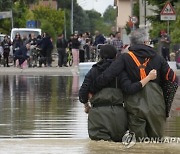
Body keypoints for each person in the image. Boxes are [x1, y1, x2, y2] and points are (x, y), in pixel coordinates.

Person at [93, 28, 178, 140]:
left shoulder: (125, 58)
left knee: (138, 144)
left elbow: (106, 76)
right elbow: (172, 80)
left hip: (134, 106)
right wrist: (166, 108)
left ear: (132, 43)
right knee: (157, 143)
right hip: (157, 106)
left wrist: (91, 89)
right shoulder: (159, 58)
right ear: (146, 42)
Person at [79, 44, 157, 142]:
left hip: (97, 115)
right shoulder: (121, 72)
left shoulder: (93, 71)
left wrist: (87, 106)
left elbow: (82, 94)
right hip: (118, 116)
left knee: (98, 147)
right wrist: (148, 78)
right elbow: (130, 89)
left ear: (100, 56)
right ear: (116, 56)